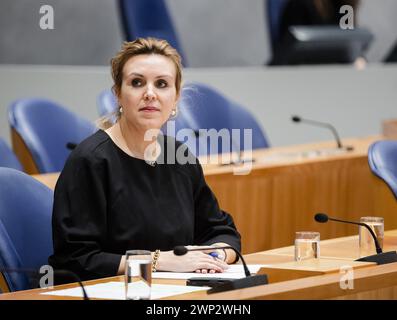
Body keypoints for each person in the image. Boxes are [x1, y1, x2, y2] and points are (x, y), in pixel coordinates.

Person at [48, 37, 241, 282]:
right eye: (137, 83)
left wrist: (213, 258)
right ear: (118, 93)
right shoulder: (90, 161)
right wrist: (159, 261)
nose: (150, 94)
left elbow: (221, 231)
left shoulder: (179, 157)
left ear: (176, 97)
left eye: (162, 84)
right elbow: (76, 259)